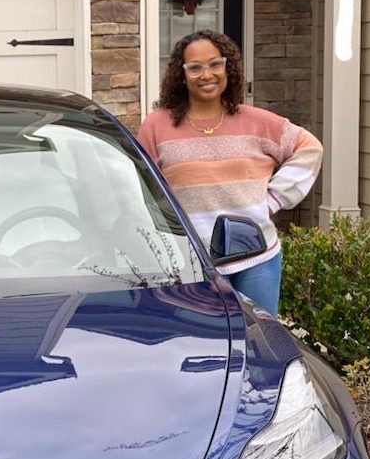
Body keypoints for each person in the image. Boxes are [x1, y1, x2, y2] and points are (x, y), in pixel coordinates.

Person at [136, 30, 323, 317]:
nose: (206, 74)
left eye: (215, 64)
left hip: (258, 259)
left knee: (258, 336)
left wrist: (272, 201)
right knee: (200, 338)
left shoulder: (257, 121)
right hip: (192, 262)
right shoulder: (156, 126)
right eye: (195, 67)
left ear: (228, 67)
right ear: (181, 75)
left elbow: (309, 148)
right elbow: (141, 186)